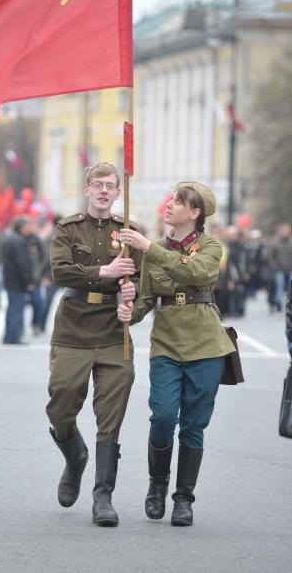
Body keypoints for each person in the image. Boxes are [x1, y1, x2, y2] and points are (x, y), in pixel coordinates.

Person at [118, 181, 235, 527]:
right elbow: (145, 300)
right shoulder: (154, 248)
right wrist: (128, 311)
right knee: (164, 417)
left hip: (206, 346)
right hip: (166, 345)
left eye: (177, 202)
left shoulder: (211, 247)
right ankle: (157, 486)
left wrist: (148, 250)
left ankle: (184, 499)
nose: (168, 206)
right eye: (169, 200)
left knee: (194, 426)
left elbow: (195, 272)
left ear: (194, 213)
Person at [46, 162, 141, 527]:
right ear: (87, 189)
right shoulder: (67, 229)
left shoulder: (130, 234)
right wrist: (103, 273)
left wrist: (132, 295)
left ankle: (103, 497)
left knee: (110, 415)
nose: (104, 191)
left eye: (111, 186)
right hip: (73, 329)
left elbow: (143, 284)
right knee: (61, 402)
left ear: (118, 192)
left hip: (114, 333)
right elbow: (60, 271)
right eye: (98, 185)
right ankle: (74, 458)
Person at [2, 215, 34, 344]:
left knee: (12, 308)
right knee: (16, 308)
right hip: (17, 280)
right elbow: (22, 263)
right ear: (22, 227)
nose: (30, 228)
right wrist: (28, 281)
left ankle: (9, 335)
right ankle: (13, 336)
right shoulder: (19, 241)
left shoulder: (11, 238)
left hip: (10, 279)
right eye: (28, 225)